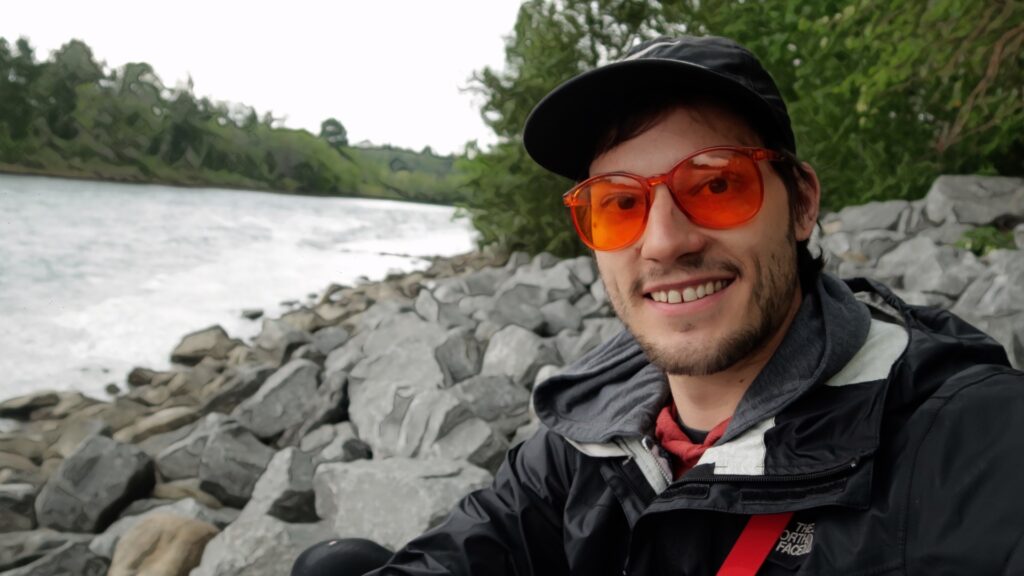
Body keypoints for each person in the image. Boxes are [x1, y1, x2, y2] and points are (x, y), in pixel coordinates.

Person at [293, 35, 1024, 576]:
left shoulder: (966, 442)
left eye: (716, 185)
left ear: (800, 203)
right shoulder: (589, 430)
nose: (664, 241)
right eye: (620, 204)